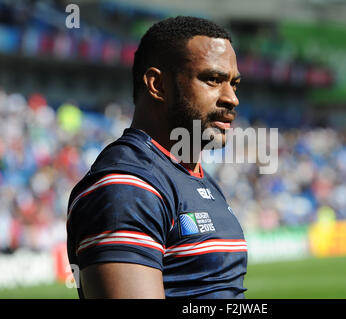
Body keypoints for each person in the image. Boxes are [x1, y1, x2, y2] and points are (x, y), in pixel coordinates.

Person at [66, 16, 247, 299]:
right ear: (157, 85)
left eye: (233, 84)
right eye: (213, 79)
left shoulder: (198, 177)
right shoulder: (126, 187)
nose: (231, 98)